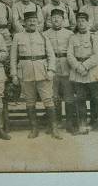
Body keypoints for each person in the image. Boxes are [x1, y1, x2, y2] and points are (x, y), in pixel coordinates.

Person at [11, 11, 61, 139]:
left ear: (38, 22)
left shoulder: (44, 36)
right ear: (24, 23)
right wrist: (14, 75)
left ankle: (54, 128)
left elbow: (51, 55)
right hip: (25, 73)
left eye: (34, 21)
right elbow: (13, 58)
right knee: (30, 101)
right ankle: (34, 128)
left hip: (43, 73)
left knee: (48, 100)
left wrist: (51, 70)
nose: (32, 23)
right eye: (29, 21)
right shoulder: (18, 37)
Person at [67, 12, 98, 136]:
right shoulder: (73, 38)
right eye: (79, 21)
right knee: (80, 99)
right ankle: (82, 126)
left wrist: (85, 66)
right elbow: (69, 55)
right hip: (78, 72)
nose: (81, 24)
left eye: (83, 21)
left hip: (92, 71)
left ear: (88, 23)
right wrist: (78, 67)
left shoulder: (93, 37)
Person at [43, 8, 74, 133]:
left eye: (59, 17)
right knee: (53, 96)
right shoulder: (45, 34)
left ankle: (70, 123)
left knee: (68, 96)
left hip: (66, 65)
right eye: (53, 17)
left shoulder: (69, 34)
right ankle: (54, 123)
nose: (56, 19)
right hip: (52, 66)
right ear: (50, 19)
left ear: (63, 20)